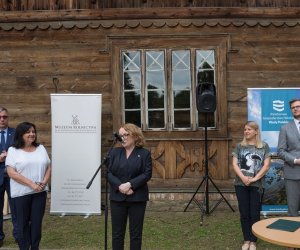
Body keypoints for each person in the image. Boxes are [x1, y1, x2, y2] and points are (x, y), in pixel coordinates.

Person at [5, 122, 51, 250]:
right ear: (21, 134)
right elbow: (11, 172)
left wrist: (44, 181)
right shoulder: (13, 150)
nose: (32, 134)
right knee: (22, 224)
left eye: (33, 131)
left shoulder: (41, 148)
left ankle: (35, 247)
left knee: (36, 224)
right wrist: (32, 184)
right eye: (28, 132)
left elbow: (48, 166)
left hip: (40, 193)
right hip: (21, 194)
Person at [108, 123, 152, 250]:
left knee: (136, 235)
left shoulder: (144, 154)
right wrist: (120, 186)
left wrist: (130, 185)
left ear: (135, 135)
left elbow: (147, 174)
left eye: (126, 135)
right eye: (121, 135)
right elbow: (108, 172)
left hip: (137, 198)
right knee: (117, 234)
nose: (123, 138)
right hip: (117, 198)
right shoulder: (114, 152)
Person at [232, 121, 271, 250]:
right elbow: (235, 164)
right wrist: (243, 178)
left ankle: (253, 241)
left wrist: (254, 179)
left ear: (256, 131)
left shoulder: (264, 146)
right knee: (244, 213)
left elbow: (266, 166)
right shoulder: (239, 146)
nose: (246, 131)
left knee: (254, 213)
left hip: (257, 185)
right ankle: (246, 239)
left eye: (249, 129)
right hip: (240, 184)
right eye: (245, 129)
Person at [278, 98, 300, 218]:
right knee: (293, 210)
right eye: (293, 107)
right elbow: (280, 151)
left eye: (298, 106)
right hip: (292, 173)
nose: (295, 109)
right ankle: (295, 237)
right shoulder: (285, 128)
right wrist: (295, 160)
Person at [0, 107, 18, 246]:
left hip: (13, 177)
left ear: (8, 118)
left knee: (16, 208)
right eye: (0, 117)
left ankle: (19, 235)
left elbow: (22, 152)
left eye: (5, 117)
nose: (2, 119)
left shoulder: (15, 133)